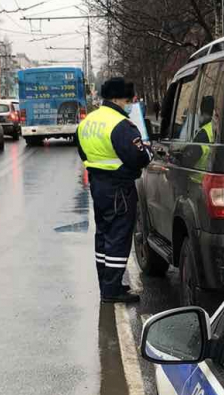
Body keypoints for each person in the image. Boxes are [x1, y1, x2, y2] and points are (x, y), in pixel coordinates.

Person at [77, 77, 152, 303]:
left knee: (103, 236)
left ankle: (105, 283)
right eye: (128, 99)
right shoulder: (120, 124)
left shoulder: (88, 122)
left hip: (98, 186)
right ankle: (112, 290)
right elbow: (138, 157)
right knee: (119, 238)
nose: (130, 103)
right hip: (119, 188)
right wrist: (149, 152)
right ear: (118, 98)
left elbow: (83, 153)